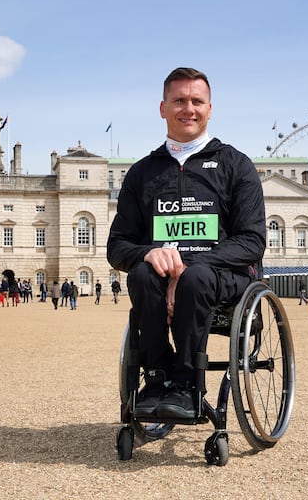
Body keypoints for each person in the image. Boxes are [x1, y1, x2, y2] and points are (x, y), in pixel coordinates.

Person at [107, 67, 266, 421]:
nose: (188, 109)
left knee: (195, 278)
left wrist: (194, 265)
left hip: (223, 279)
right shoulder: (141, 172)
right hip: (159, 279)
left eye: (197, 101)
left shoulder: (236, 166)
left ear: (210, 109)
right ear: (163, 108)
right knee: (143, 275)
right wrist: (148, 252)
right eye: (179, 100)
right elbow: (117, 246)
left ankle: (187, 383)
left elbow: (253, 241)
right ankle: (158, 377)